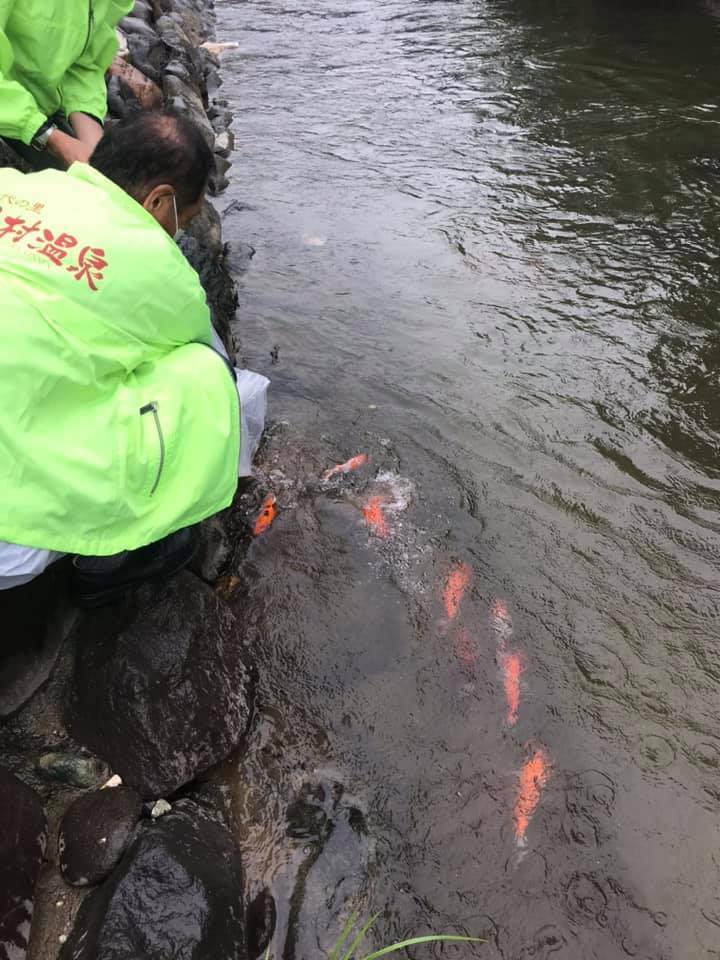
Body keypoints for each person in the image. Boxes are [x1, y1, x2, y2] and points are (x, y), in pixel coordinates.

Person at [0, 110, 242, 605]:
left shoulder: (13, 184)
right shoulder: (159, 266)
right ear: (160, 201)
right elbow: (205, 355)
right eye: (186, 219)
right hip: (10, 537)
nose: (178, 232)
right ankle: (107, 561)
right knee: (206, 376)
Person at [0, 0, 132, 170]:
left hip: (38, 103)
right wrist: (48, 136)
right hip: (13, 103)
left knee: (96, 175)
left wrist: (94, 148)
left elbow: (85, 65)